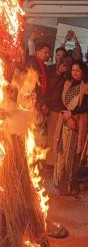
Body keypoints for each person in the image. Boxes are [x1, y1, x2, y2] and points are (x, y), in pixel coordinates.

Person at [53, 61, 88, 195]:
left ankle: (69, 187)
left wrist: (72, 115)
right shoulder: (68, 84)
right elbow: (60, 101)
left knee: (71, 155)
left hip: (77, 124)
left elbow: (85, 106)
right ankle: (57, 183)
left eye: (78, 70)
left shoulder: (85, 87)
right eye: (73, 70)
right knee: (60, 151)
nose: (75, 72)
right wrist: (66, 116)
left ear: (83, 72)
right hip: (64, 121)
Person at [27, 41, 51, 147]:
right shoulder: (33, 63)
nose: (48, 55)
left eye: (48, 53)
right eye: (45, 52)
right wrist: (41, 103)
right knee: (31, 131)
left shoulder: (42, 65)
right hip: (32, 104)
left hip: (38, 104)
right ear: (37, 52)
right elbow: (33, 86)